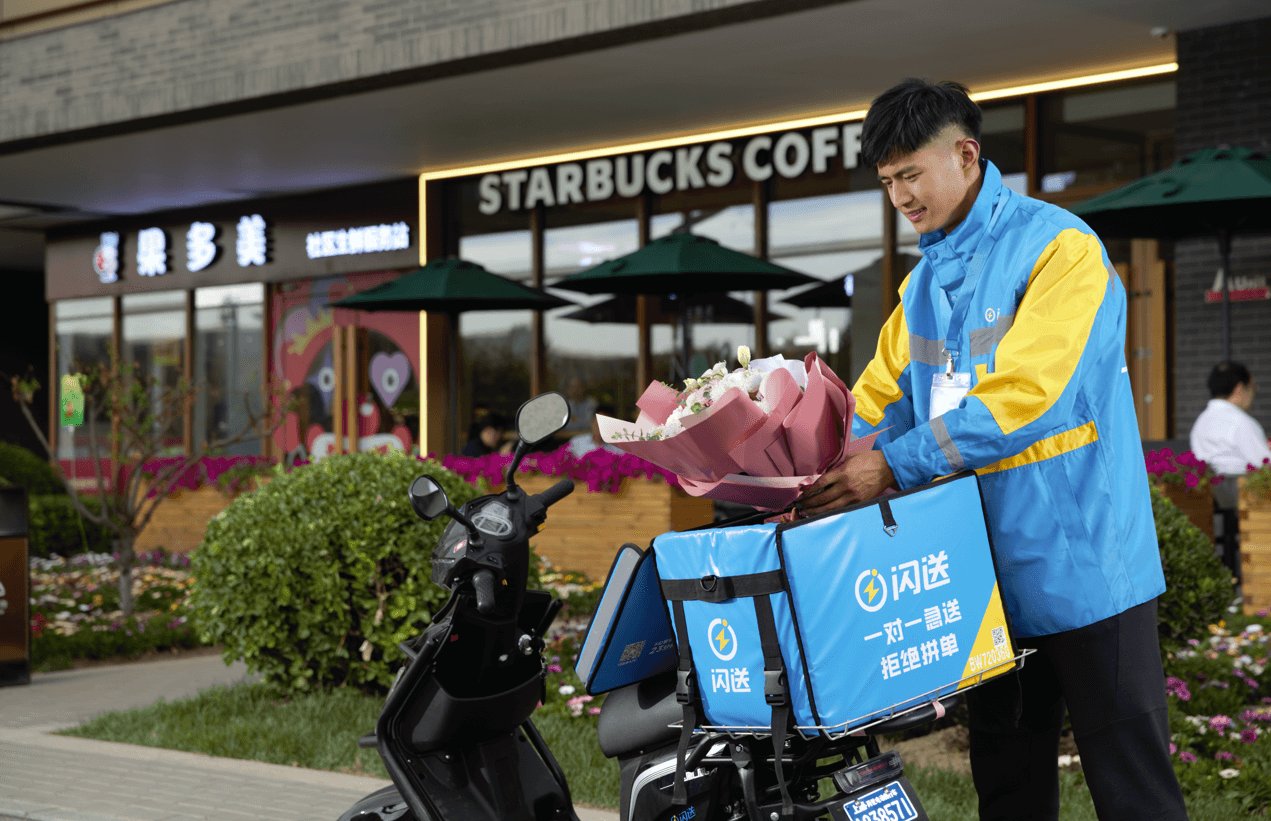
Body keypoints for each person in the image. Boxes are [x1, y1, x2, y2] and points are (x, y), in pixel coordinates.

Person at [798, 79, 1186, 820]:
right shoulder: (919, 290)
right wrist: (801, 462)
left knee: (1132, 789)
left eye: (910, 174)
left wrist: (892, 465)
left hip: (1086, 568)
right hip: (979, 579)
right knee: (1005, 786)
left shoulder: (1059, 250)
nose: (900, 197)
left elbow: (1024, 397)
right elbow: (873, 402)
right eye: (886, 183)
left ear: (966, 154)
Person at [1190, 361, 1271, 476]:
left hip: (1207, 489)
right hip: (1242, 491)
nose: (1253, 393)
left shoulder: (1200, 422)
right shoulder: (1241, 422)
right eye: (1253, 387)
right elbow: (1265, 464)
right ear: (1239, 388)